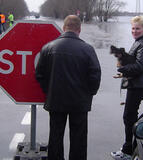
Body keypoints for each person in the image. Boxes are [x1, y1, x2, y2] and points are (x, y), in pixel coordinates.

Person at [35, 15, 101, 160]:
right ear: (79, 30)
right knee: (79, 139)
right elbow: (95, 76)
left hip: (56, 100)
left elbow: (39, 74)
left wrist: (49, 91)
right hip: (79, 103)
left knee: (55, 137)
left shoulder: (48, 48)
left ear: (64, 28)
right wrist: (89, 94)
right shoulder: (88, 49)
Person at [111, 15, 143, 160]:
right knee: (130, 116)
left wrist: (123, 68)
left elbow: (141, 66)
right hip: (137, 83)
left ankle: (128, 151)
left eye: (138, 28)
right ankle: (131, 147)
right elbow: (135, 61)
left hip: (140, 85)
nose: (134, 31)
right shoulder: (139, 41)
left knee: (129, 117)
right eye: (133, 28)